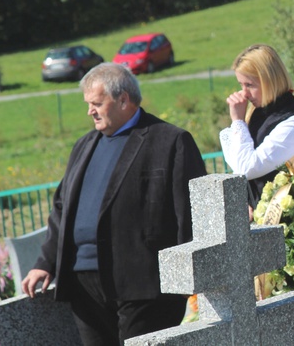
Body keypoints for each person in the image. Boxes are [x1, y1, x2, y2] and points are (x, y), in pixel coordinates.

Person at [21, 63, 207, 345]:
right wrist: (45, 262)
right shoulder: (84, 145)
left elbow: (189, 211)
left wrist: (187, 273)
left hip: (143, 283)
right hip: (84, 283)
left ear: (123, 100)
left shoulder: (170, 140)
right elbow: (62, 209)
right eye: (88, 104)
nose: (90, 111)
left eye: (96, 103)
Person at [219, 44, 294, 211]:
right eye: (241, 85)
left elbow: (246, 168)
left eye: (249, 85)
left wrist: (238, 121)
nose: (244, 93)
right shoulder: (257, 114)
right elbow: (237, 164)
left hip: (285, 229)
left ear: (269, 81)